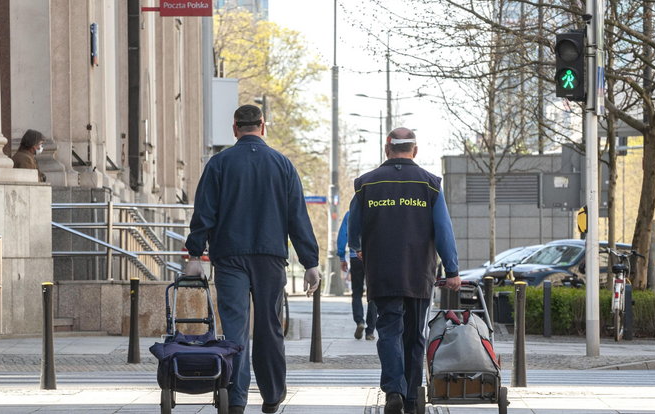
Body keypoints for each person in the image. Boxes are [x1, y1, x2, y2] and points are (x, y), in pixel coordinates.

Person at [184, 104, 321, 414]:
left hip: (230, 256)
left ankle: (236, 399)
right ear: (263, 126)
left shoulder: (219, 164)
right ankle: (272, 395)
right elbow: (297, 217)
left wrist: (195, 253)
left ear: (235, 129)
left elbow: (204, 212)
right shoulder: (282, 165)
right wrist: (310, 262)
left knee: (234, 328)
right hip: (271, 258)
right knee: (270, 326)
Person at [348, 127, 461, 414]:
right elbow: (443, 230)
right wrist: (452, 270)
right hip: (418, 271)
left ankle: (393, 391)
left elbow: (354, 228)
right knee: (414, 336)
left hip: (382, 271)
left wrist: (357, 247)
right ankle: (411, 397)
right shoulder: (430, 184)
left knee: (388, 331)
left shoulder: (365, 184)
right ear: (415, 150)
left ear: (387, 150)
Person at [337, 210, 377, 340]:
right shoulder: (376, 210)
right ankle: (370, 331)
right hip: (373, 256)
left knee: (357, 292)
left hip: (355, 257)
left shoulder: (350, 213)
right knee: (374, 293)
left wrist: (342, 256)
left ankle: (360, 321)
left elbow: (343, 235)